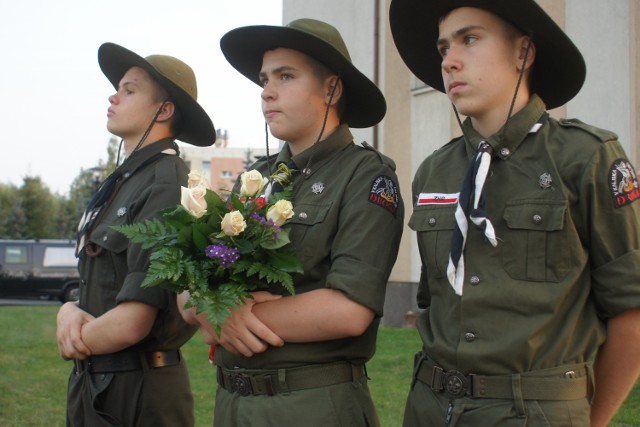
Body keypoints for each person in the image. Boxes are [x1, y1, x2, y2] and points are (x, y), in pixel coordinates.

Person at [389, 0, 640, 426]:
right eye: (443, 47)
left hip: (533, 413)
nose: (449, 61)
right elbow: (434, 301)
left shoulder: (585, 158)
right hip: (429, 408)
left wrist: (586, 420)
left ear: (523, 52)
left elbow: (631, 312)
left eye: (469, 39)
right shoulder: (435, 170)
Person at [181, 18, 404, 426]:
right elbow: (189, 290)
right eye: (265, 79)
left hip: (311, 405)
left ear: (331, 89)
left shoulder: (365, 176)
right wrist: (210, 308)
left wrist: (227, 314)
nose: (266, 91)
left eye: (286, 76)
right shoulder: (254, 181)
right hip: (232, 403)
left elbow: (349, 309)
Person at [56, 42, 216, 426]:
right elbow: (102, 280)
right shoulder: (126, 180)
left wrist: (75, 340)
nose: (113, 95)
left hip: (137, 391)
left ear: (164, 109)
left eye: (129, 90)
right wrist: (68, 309)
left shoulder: (165, 183)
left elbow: (134, 321)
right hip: (97, 381)